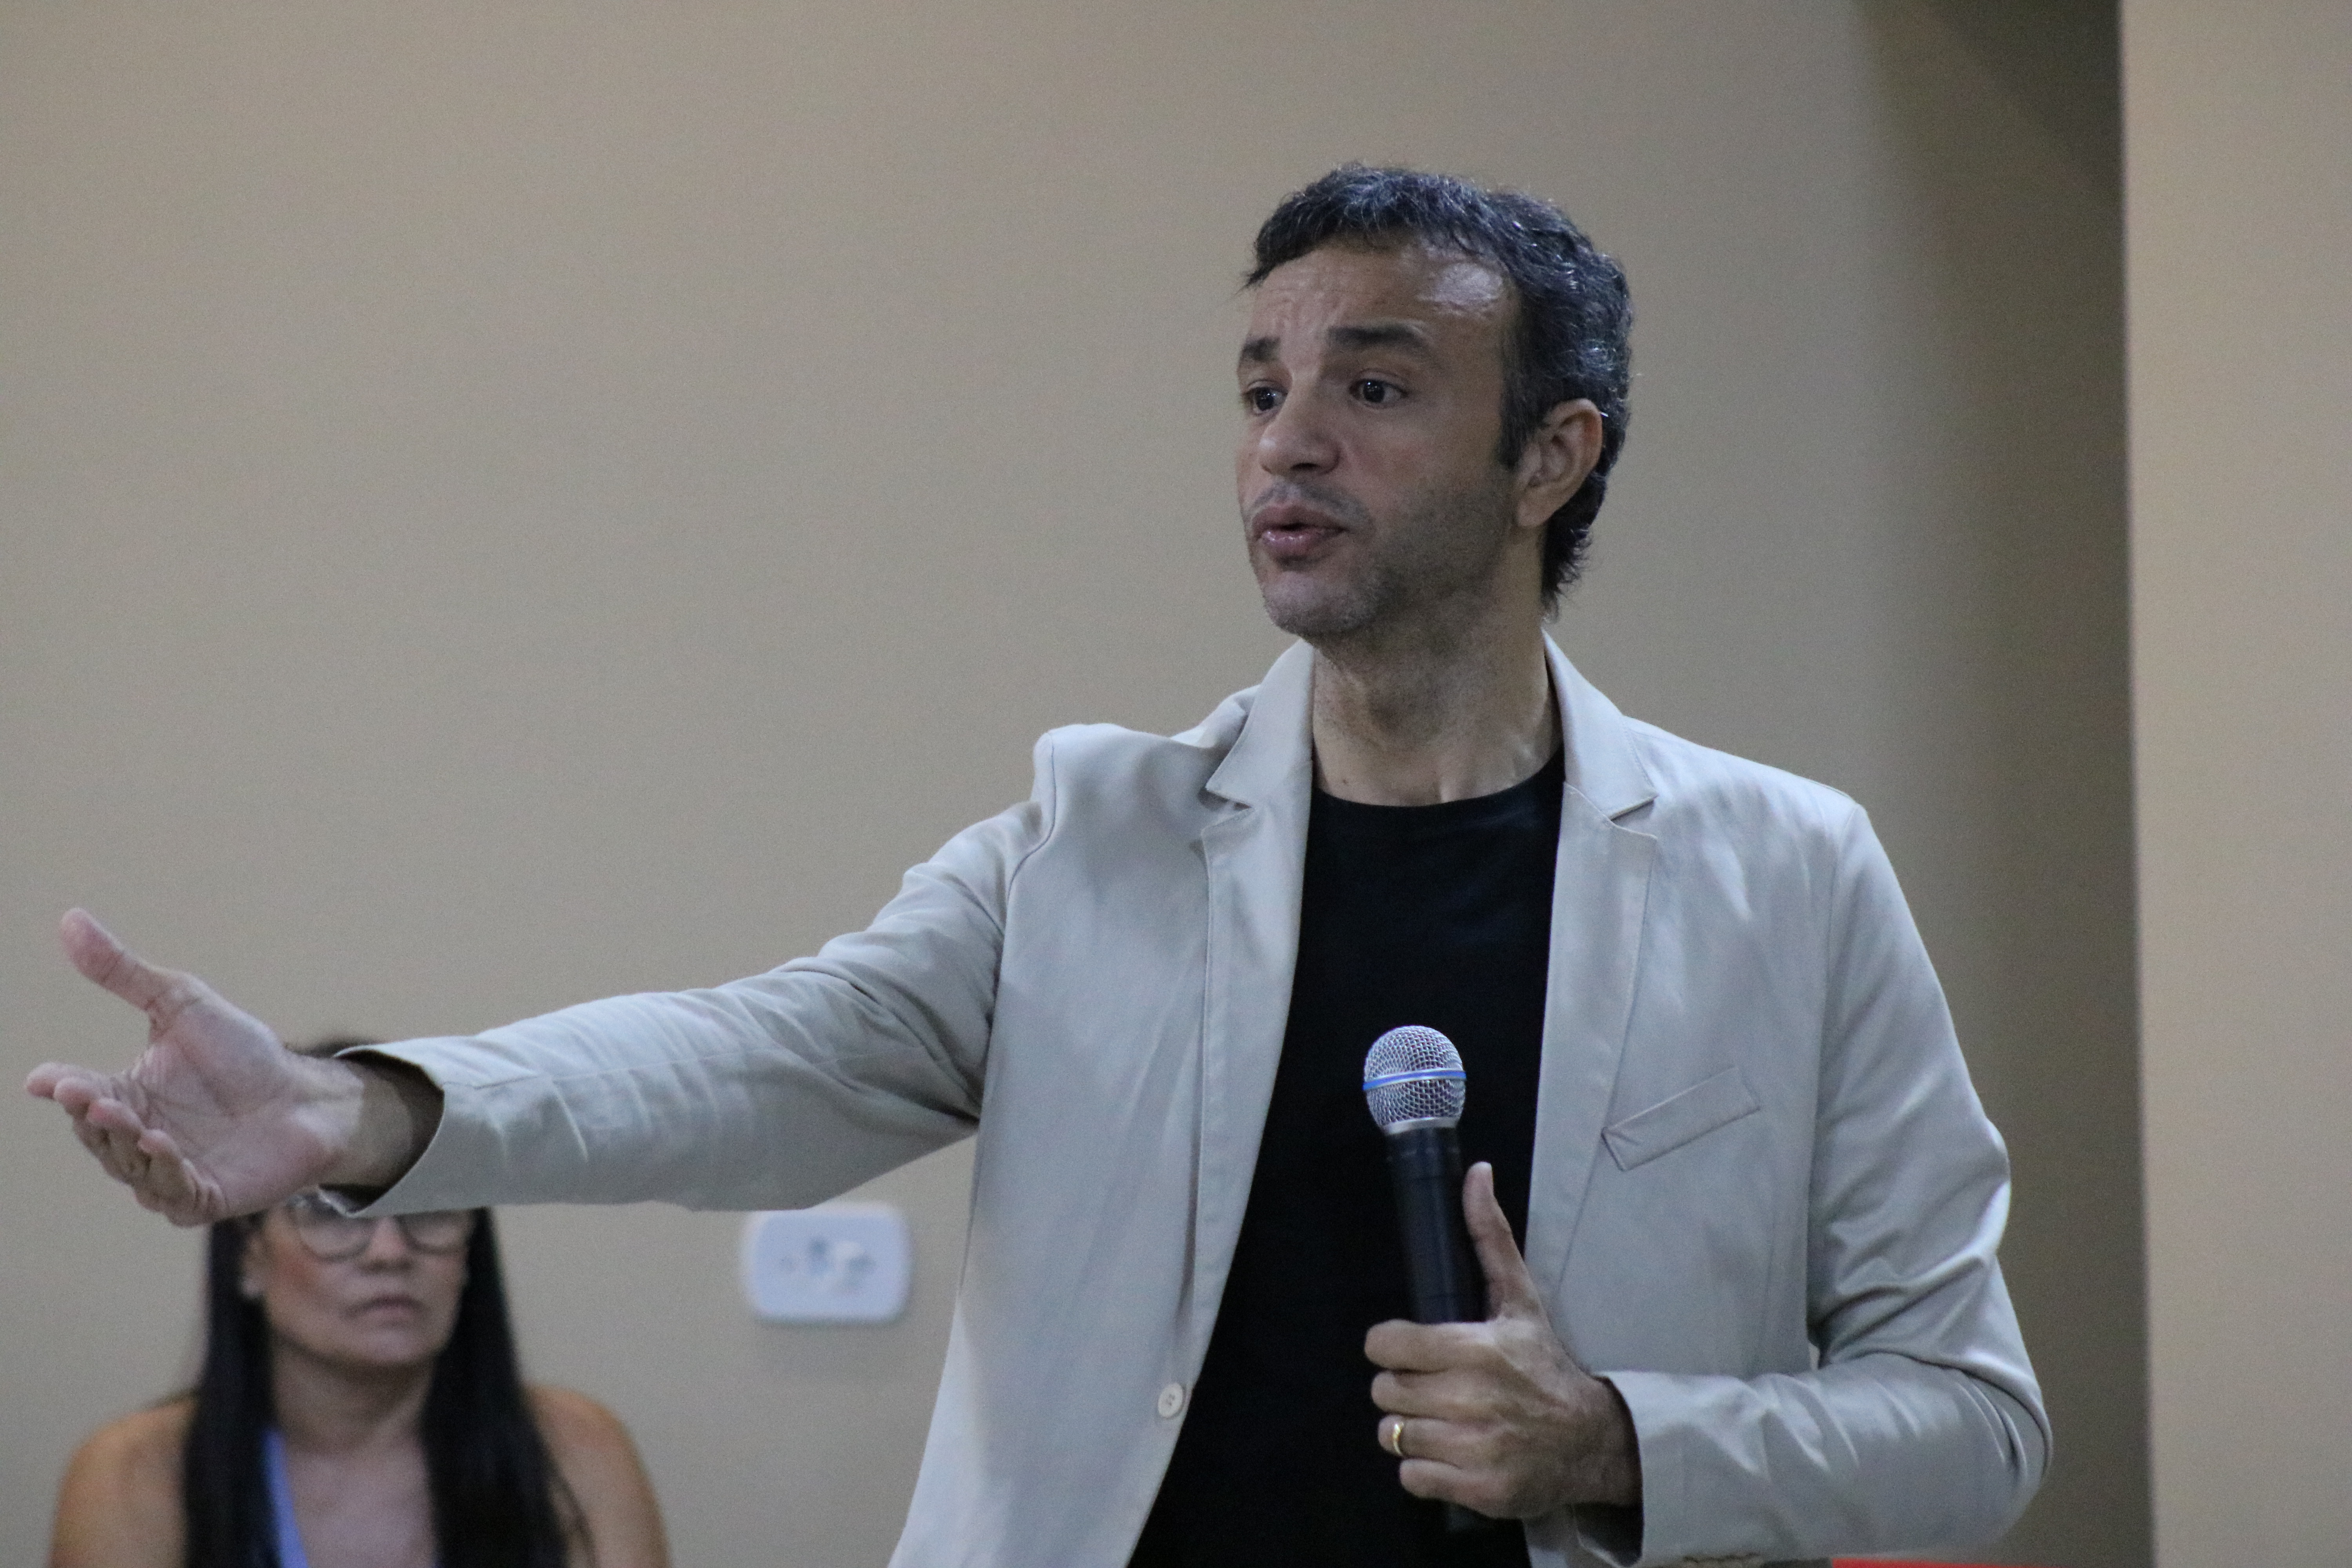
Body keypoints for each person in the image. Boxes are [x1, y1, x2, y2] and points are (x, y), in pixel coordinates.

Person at [30, 166, 2048, 1568]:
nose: (1287, 441)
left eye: (1372, 385)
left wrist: (1613, 1439)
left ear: (1551, 456)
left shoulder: (1787, 876)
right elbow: (756, 1060)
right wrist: (360, 1109)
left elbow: (1972, 1422)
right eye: (1258, 387)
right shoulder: (1094, 840)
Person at [47, 1043, 668, 1568]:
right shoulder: (136, 1474)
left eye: (429, 1209)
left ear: (470, 1257)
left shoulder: (576, 1453)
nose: (390, 1252)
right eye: (332, 1214)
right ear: (249, 1254)